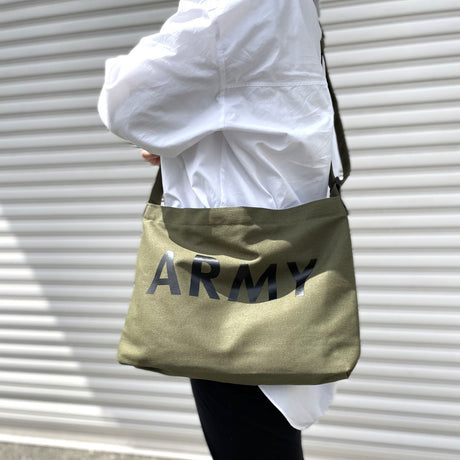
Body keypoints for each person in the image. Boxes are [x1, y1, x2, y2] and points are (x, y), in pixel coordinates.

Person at [98, 0, 341, 458]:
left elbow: (124, 101)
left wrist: (168, 125)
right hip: (282, 255)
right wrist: (181, 130)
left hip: (227, 276)